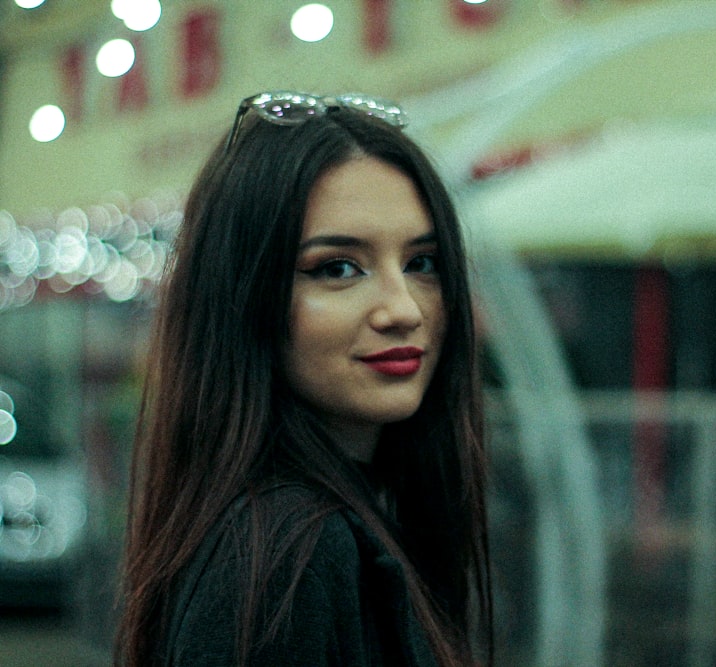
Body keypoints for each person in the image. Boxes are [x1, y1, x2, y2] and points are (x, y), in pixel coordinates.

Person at [116, 92, 492, 666]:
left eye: (422, 263)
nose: (404, 309)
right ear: (242, 296)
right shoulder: (284, 554)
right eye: (337, 268)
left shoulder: (318, 525)